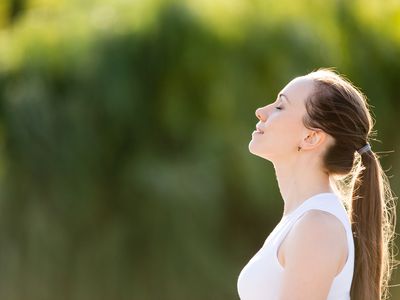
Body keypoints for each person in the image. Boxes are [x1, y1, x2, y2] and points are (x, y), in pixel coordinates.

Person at [237, 68, 398, 300]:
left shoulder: (317, 226)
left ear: (311, 137)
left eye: (280, 106)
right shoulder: (304, 220)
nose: (261, 112)